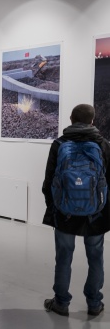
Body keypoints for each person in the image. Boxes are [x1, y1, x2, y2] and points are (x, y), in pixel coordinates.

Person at [42, 104, 110, 317]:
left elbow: (48, 182)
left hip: (64, 212)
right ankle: (94, 303)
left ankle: (61, 302)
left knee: (63, 257)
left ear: (71, 118)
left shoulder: (59, 144)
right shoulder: (103, 144)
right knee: (96, 257)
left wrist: (54, 208)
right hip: (96, 213)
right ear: (93, 120)